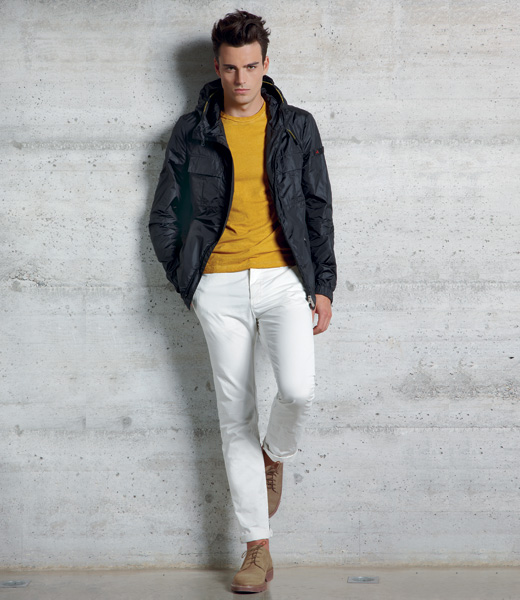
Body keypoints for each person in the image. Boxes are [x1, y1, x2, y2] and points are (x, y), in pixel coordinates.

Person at [149, 10, 336, 593]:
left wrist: (323, 285)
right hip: (219, 285)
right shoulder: (192, 131)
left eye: (251, 67)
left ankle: (273, 454)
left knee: (298, 390)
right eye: (230, 69)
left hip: (284, 279)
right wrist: (191, 282)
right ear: (217, 67)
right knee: (235, 419)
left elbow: (318, 208)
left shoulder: (296, 127)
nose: (241, 80)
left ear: (265, 64)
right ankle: (257, 549)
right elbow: (162, 214)